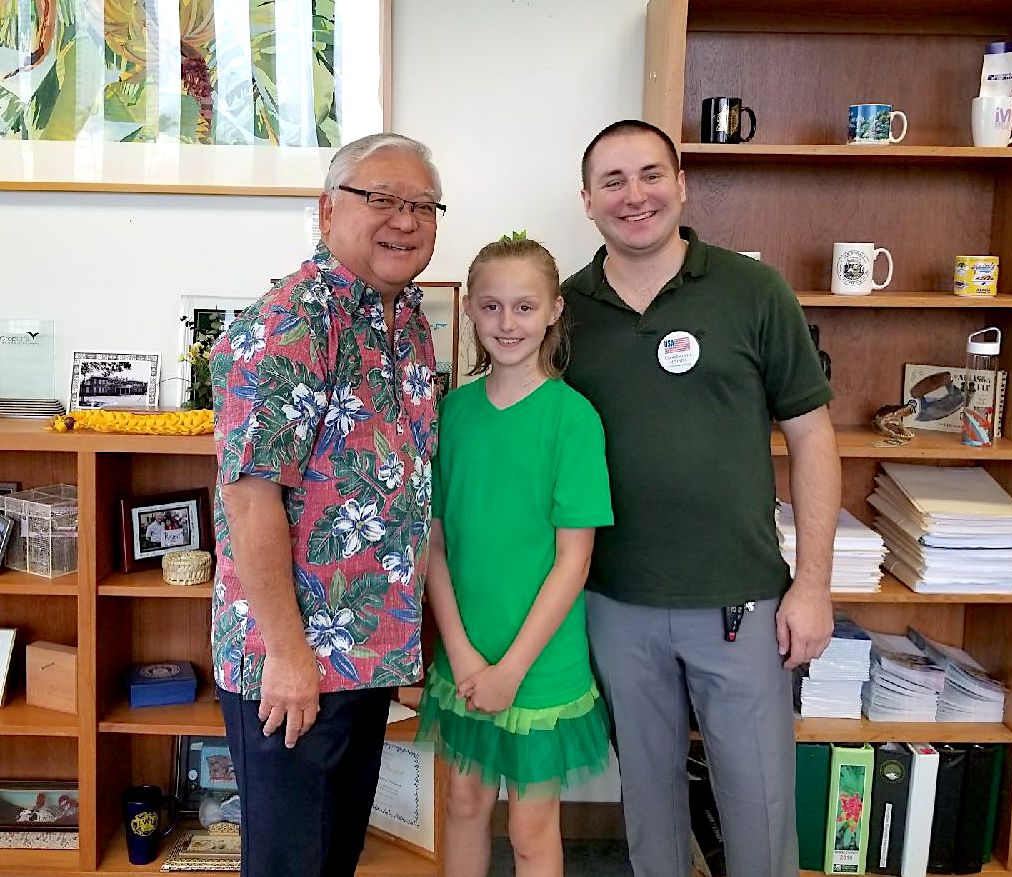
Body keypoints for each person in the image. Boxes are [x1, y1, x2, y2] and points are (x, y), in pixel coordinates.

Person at [561, 120, 841, 877]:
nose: (634, 195)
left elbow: (812, 437)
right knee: (649, 811)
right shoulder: (562, 311)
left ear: (681, 185)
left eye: (650, 174)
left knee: (758, 810)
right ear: (586, 200)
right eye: (612, 181)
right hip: (615, 602)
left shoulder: (752, 290)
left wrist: (813, 583)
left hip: (741, 602)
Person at [210, 132, 444, 877]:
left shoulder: (403, 319)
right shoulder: (292, 320)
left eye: (420, 204)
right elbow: (250, 501)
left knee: (333, 855)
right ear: (325, 210)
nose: (403, 219)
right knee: (290, 864)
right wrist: (286, 654)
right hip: (296, 659)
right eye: (380, 198)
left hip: (364, 649)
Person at [419, 237, 614, 877]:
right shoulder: (452, 414)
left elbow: (572, 563)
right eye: (493, 307)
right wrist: (466, 654)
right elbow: (435, 545)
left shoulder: (573, 419)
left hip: (542, 664)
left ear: (554, 310)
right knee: (465, 806)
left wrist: (511, 669)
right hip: (466, 656)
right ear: (471, 310)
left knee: (532, 831)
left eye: (525, 307)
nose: (508, 323)